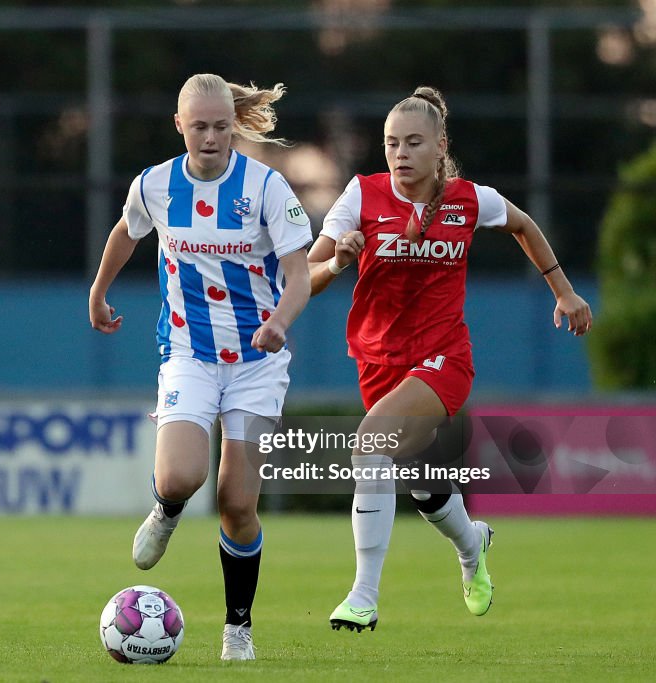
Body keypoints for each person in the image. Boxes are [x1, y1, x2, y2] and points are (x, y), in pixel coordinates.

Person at [307, 86, 592, 632]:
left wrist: (563, 290)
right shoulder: (360, 197)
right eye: (392, 143)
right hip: (378, 362)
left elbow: (522, 224)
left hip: (444, 360)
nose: (400, 153)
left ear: (440, 146)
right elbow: (305, 279)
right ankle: (472, 546)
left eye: (414, 142)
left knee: (370, 443)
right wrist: (337, 263)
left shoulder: (469, 199)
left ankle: (363, 596)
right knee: (426, 487)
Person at [89, 73, 312, 661]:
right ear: (180, 126)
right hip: (188, 354)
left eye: (221, 126)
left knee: (238, 503)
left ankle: (238, 629)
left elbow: (300, 275)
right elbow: (125, 232)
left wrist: (280, 323)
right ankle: (165, 511)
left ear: (232, 125)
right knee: (181, 478)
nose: (211, 138)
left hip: (258, 363)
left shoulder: (266, 187)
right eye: (199, 127)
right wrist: (98, 289)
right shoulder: (155, 185)